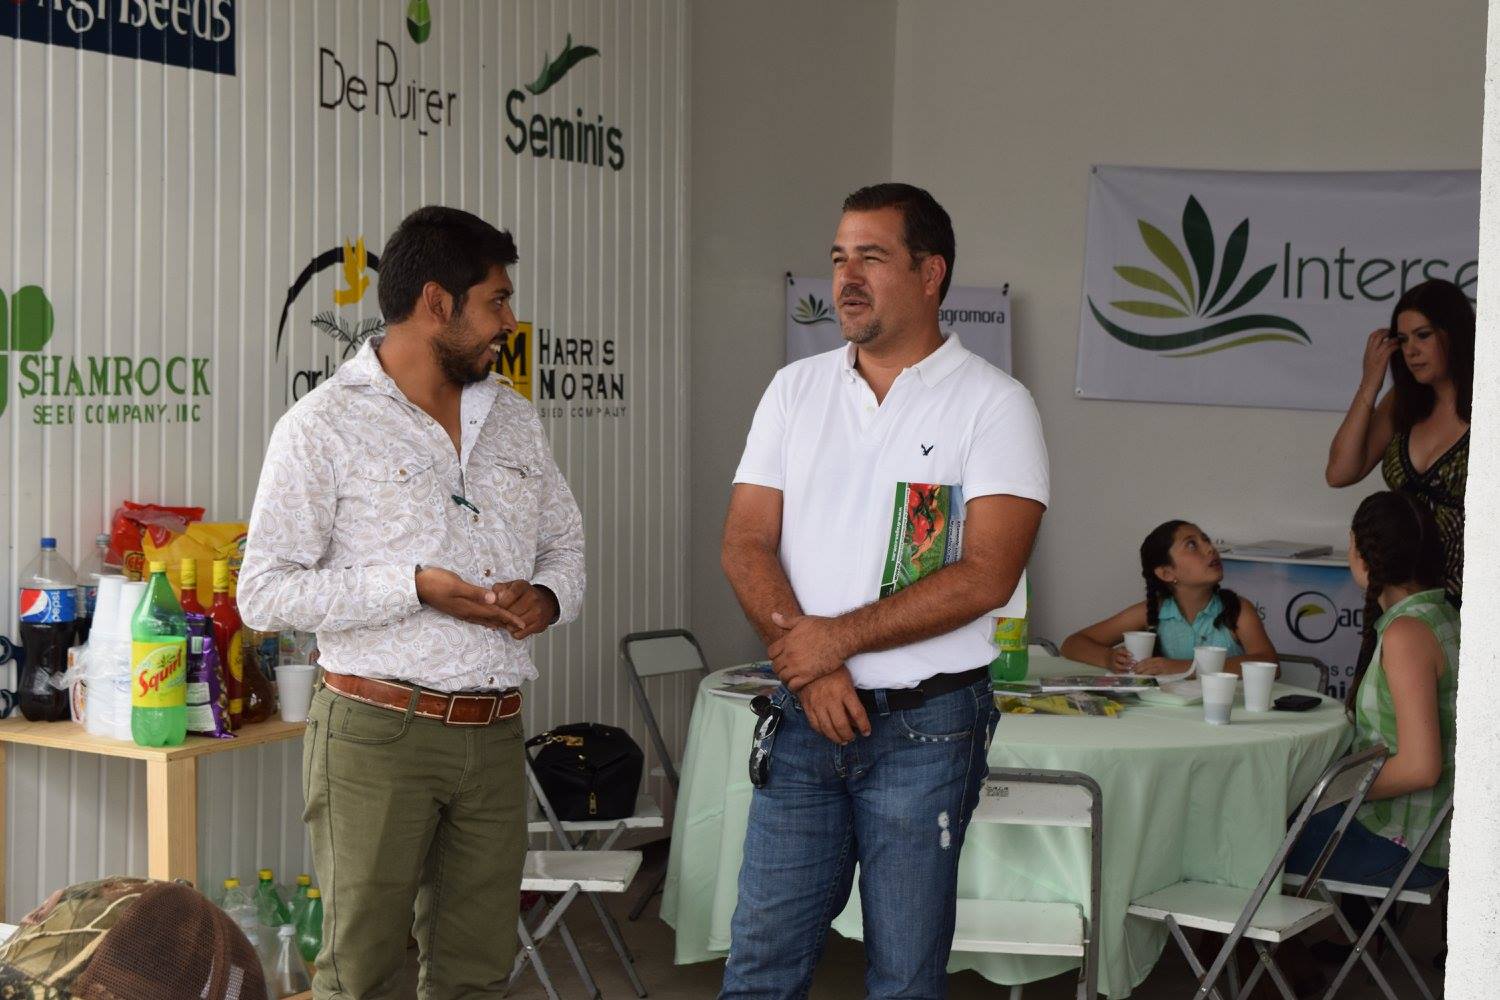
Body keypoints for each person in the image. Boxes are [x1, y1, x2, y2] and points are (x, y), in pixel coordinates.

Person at [239, 206, 585, 999]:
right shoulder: (323, 425)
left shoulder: (514, 418)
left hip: (495, 733)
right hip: (376, 735)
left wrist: (547, 597)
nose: (511, 321)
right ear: (437, 302)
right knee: (360, 975)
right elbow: (263, 590)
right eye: (497, 300)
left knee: (477, 975)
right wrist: (412, 586)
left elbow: (565, 546)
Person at [718, 183, 1049, 999]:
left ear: (931, 273)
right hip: (804, 719)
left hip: (926, 729)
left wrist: (835, 641)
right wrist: (812, 667)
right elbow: (745, 542)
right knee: (760, 965)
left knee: (905, 978)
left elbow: (988, 574)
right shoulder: (794, 390)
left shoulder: (995, 404)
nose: (847, 278)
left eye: (872, 257)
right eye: (839, 258)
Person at [1284, 491, 1457, 889]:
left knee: (1251, 834)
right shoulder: (1444, 615)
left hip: (1407, 844)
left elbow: (1419, 768)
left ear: (1364, 556)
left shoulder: (1407, 633)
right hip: (1433, 835)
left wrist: (1327, 791)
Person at [1325, 279, 1472, 603]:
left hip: (1471, 598)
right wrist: (1370, 382)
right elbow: (1339, 472)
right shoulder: (1402, 401)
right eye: (1403, 340)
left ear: (1454, 333)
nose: (1411, 350)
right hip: (1400, 596)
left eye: (1423, 335)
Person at [1060, 520, 1277, 676]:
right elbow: (1072, 644)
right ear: (1166, 573)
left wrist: (1186, 668)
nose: (1210, 549)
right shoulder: (1150, 612)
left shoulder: (1237, 610)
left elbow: (1269, 663)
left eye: (1206, 540)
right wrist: (1108, 658)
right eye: (1192, 545)